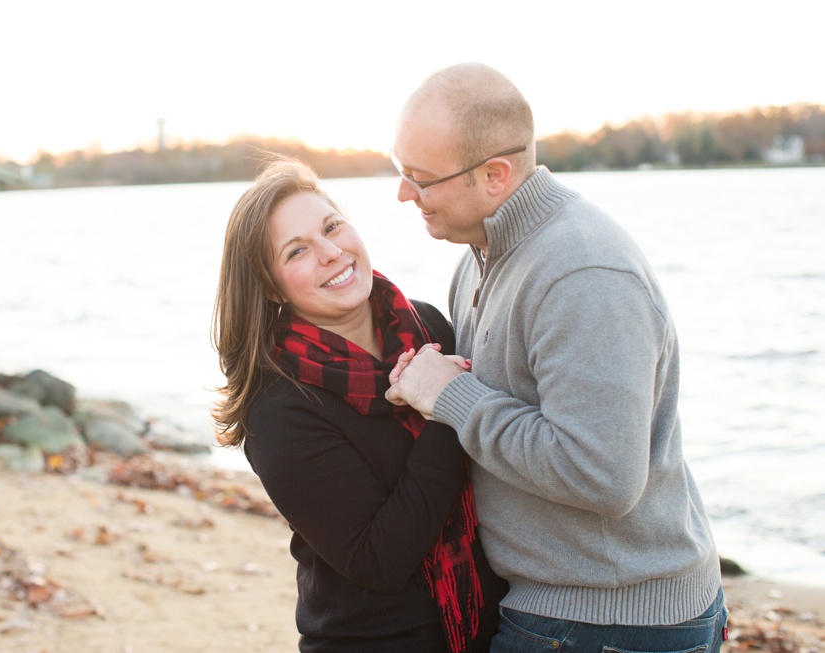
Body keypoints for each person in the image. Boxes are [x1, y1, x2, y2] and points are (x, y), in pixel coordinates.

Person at [385, 63, 727, 653]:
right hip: (555, 604)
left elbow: (602, 474)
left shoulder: (583, 273)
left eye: (420, 178)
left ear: (494, 175)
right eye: (401, 171)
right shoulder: (478, 256)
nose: (403, 193)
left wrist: (449, 397)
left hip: (614, 621)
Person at [211, 156, 507, 653]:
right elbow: (378, 561)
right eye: (297, 251)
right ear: (269, 286)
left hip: (496, 630)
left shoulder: (429, 328)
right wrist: (445, 409)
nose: (331, 252)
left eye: (332, 227)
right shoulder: (279, 407)